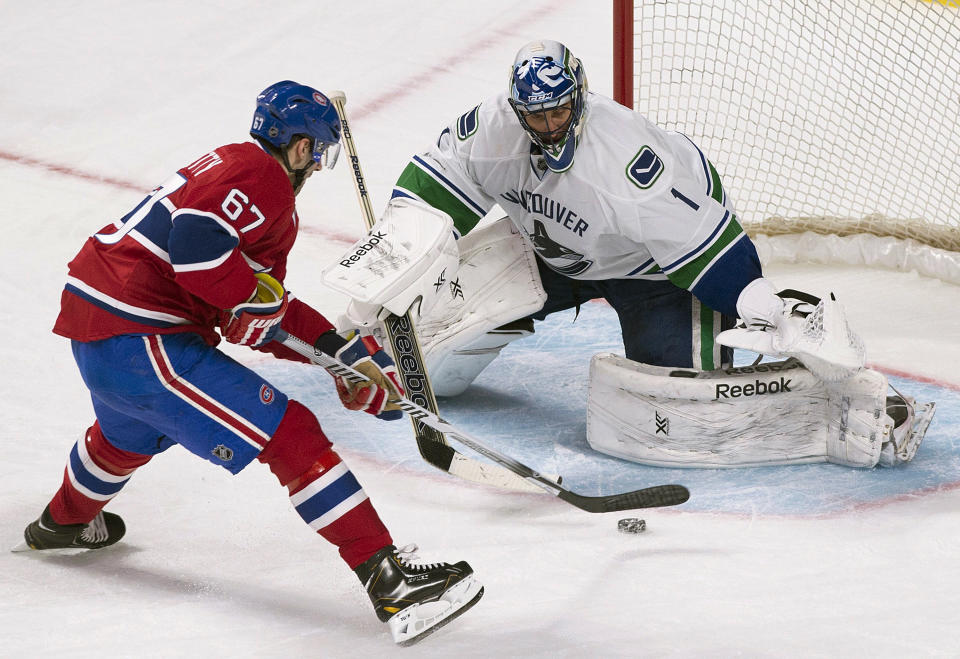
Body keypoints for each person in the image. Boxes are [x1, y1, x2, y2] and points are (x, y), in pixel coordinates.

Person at [18, 81, 483, 646]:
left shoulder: (234, 170)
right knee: (294, 435)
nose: (314, 166)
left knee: (125, 438)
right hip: (142, 334)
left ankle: (61, 522)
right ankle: (392, 584)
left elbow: (257, 317)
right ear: (302, 147)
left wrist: (338, 354)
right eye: (315, 151)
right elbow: (197, 249)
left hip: (103, 330)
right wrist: (249, 296)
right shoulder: (260, 177)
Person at [333, 40, 929, 469]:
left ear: (581, 98)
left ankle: (846, 409)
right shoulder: (489, 131)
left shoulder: (626, 169)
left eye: (559, 110)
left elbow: (707, 253)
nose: (547, 125)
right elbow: (429, 195)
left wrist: (760, 304)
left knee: (681, 412)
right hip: (550, 249)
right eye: (534, 114)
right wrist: (388, 277)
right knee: (426, 350)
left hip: (655, 269)